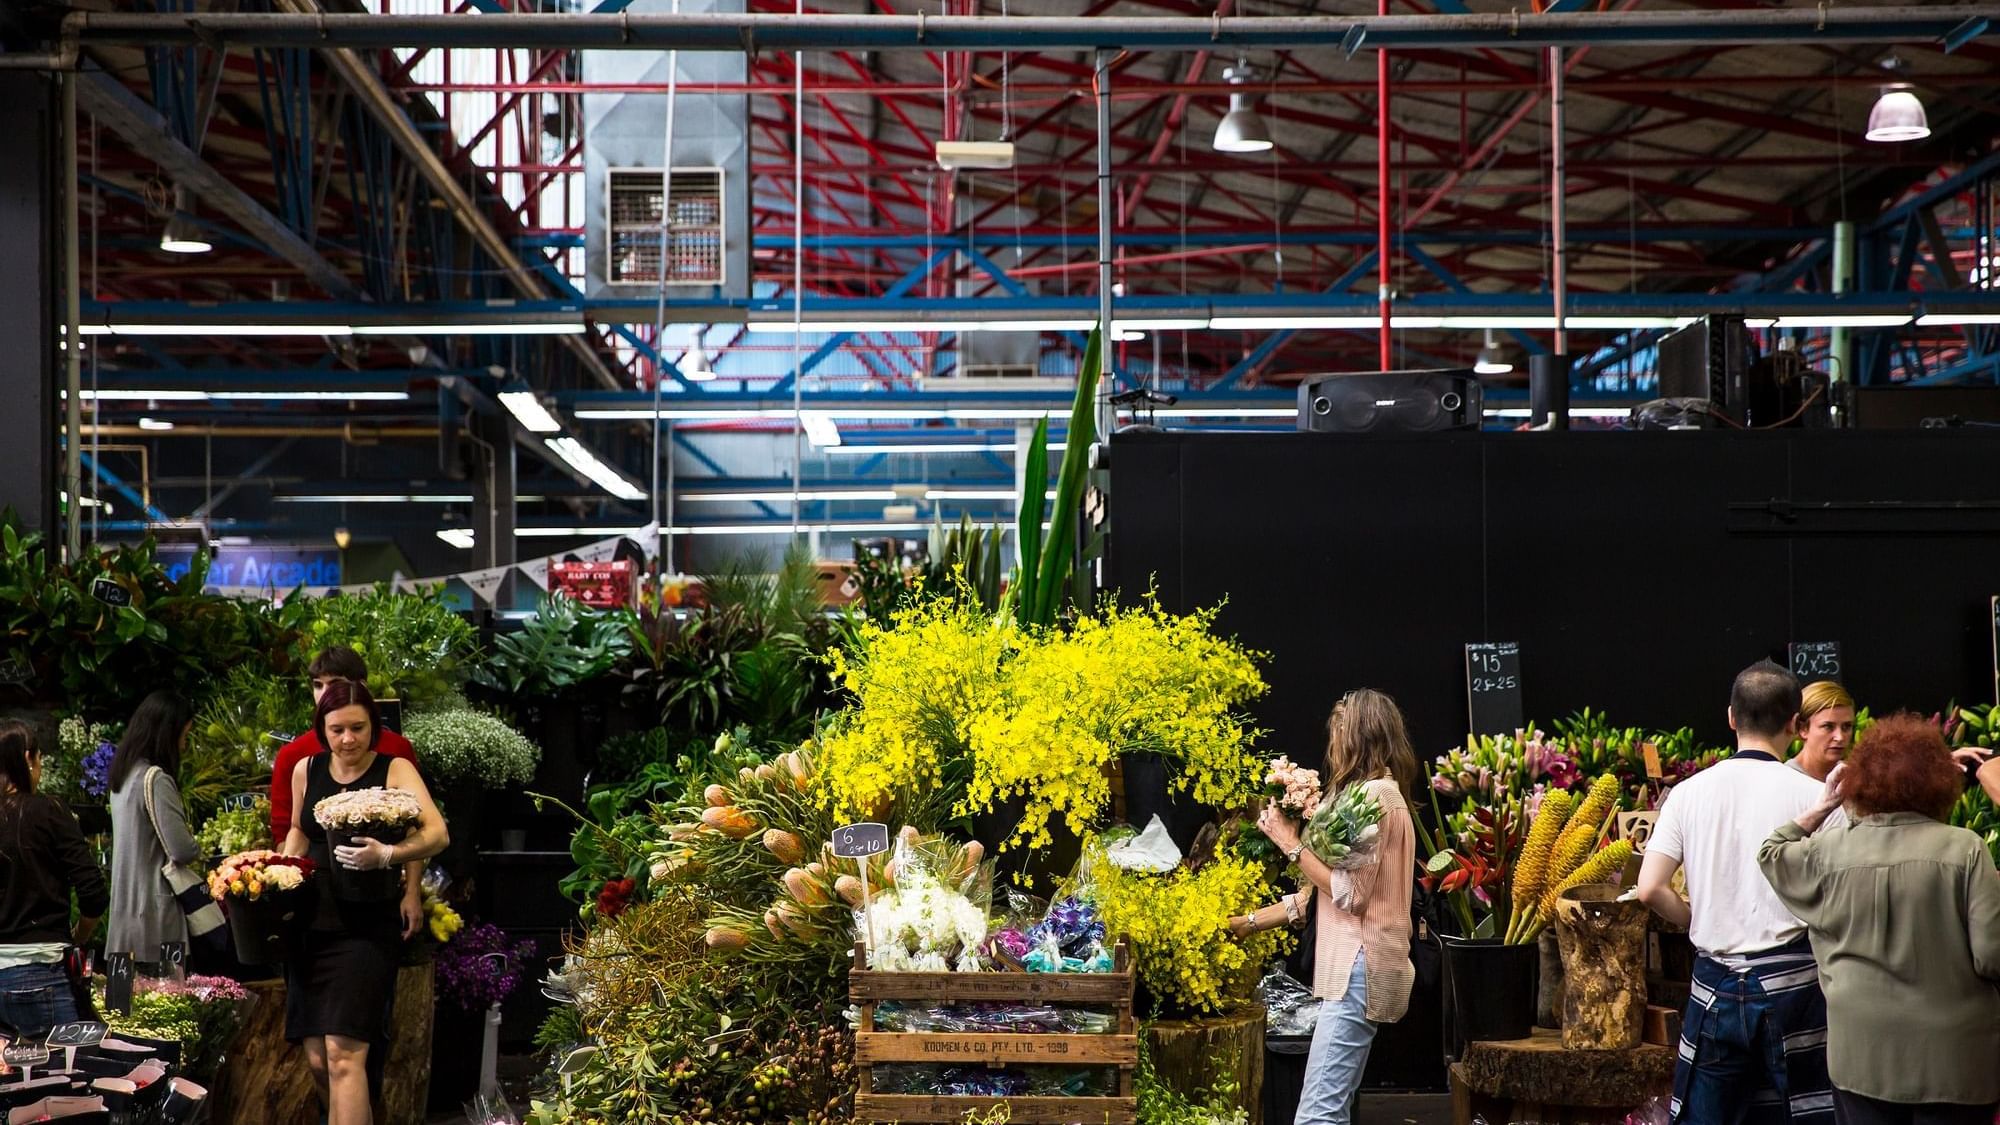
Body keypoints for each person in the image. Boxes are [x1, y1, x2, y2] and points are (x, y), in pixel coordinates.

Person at [1758, 714, 2000, 1125]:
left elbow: (1771, 852)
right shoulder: (1966, 850)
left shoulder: (1830, 851)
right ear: (1940, 782)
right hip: (1956, 1059)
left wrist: (1823, 806)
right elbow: (1992, 955)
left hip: (1861, 1056)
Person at [1636, 660, 1833, 1125]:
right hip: (1795, 987)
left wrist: (1691, 917)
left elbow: (1648, 889)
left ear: (1730, 717)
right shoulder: (1817, 798)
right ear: (1795, 724)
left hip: (1713, 987)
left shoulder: (1687, 793)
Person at [1228, 689, 1418, 1125]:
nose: (1333, 743)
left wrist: (1291, 844)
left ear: (1361, 736)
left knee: (1318, 1116)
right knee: (1327, 1109)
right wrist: (1248, 923)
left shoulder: (1376, 799)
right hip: (1353, 971)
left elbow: (1349, 894)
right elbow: (1315, 897)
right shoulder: (1366, 796)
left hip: (1359, 967)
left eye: (1340, 730)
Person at [281, 680, 447, 1125]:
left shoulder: (395, 770)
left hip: (365, 925)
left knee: (343, 1055)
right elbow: (300, 830)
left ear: (374, 726)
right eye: (337, 730)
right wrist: (280, 863)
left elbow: (436, 833)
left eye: (358, 728)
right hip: (310, 924)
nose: (348, 739)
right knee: (318, 1059)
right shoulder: (305, 769)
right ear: (322, 729)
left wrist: (389, 856)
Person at [269, 646, 423, 942]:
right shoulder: (296, 758)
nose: (324, 693)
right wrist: (283, 880)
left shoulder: (396, 753)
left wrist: (412, 889)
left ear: (360, 688)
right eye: (317, 685)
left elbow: (416, 827)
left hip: (377, 895)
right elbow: (289, 829)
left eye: (334, 684)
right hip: (313, 902)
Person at [0, 721, 108, 1037]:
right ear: (29, 758)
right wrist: (80, 936)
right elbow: (93, 892)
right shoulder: (49, 811)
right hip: (41, 974)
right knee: (65, 1078)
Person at [106, 691, 203, 970]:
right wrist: (199, 848)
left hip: (121, 928)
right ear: (167, 734)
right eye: (184, 736)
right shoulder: (156, 779)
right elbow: (182, 849)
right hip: (158, 925)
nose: (184, 746)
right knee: (169, 1008)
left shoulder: (121, 779)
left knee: (120, 1008)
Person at [1791, 681, 1855, 783]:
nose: (1840, 737)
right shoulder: (1785, 780)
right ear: (1802, 729)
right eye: (1828, 726)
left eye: (1846, 726)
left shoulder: (1855, 780)